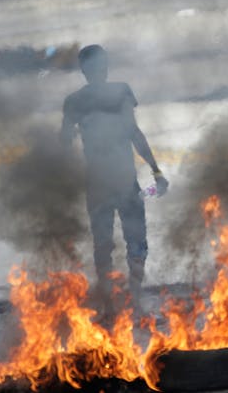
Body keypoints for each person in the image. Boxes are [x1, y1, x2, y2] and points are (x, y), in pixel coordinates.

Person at [61, 45, 169, 316]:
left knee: (104, 243)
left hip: (99, 181)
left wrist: (72, 138)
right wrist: (156, 171)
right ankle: (132, 299)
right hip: (121, 179)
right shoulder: (120, 91)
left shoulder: (75, 100)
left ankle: (111, 304)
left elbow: (62, 142)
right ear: (97, 68)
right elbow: (134, 133)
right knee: (135, 240)